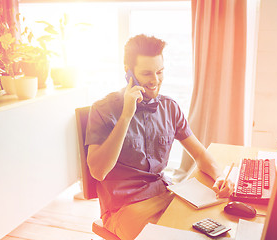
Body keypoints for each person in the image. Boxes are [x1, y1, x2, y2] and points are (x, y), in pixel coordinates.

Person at [85, 34, 234, 240]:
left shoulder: (170, 107)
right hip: (124, 207)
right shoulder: (103, 109)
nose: (155, 80)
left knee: (217, 232)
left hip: (165, 194)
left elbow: (200, 154)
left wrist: (219, 177)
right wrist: (126, 116)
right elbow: (98, 172)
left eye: (160, 72)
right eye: (147, 73)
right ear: (129, 73)